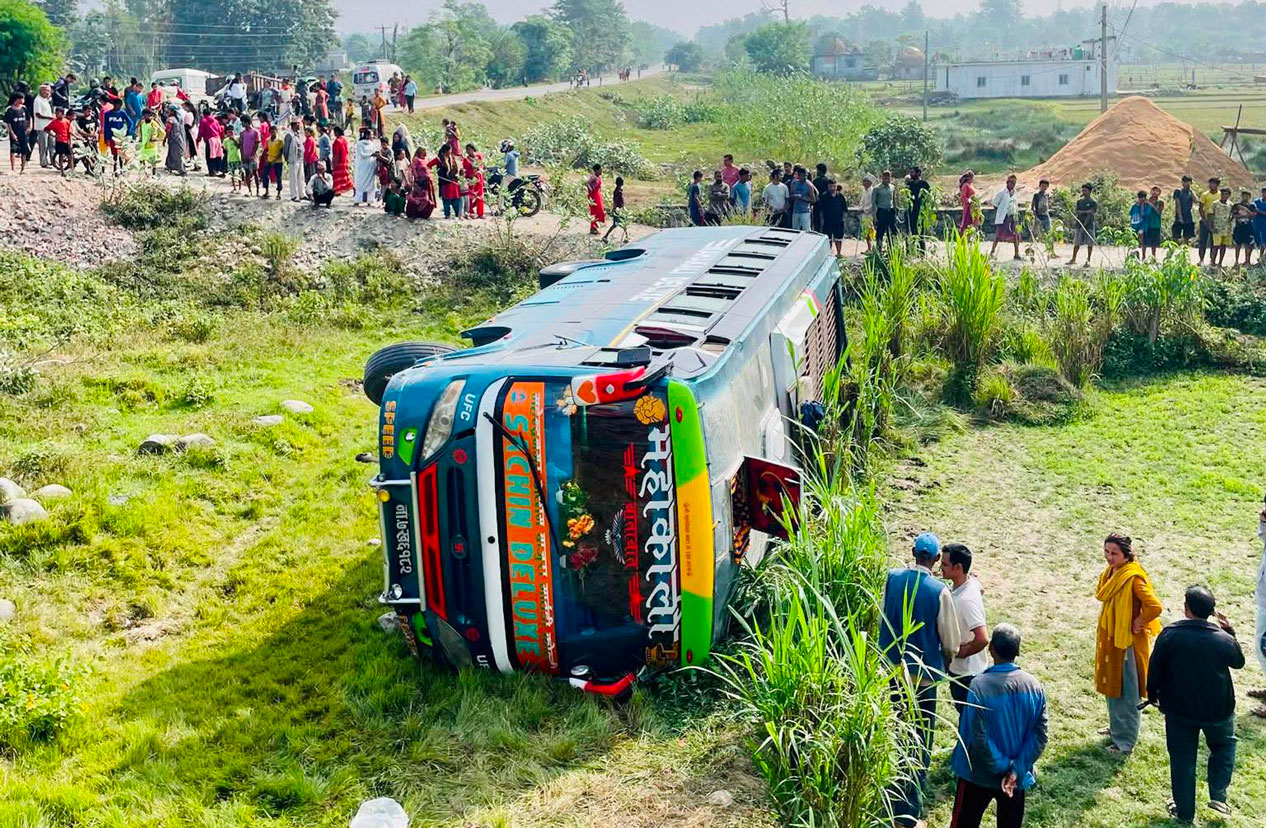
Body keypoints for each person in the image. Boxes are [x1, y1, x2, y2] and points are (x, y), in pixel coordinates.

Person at [879, 532, 962, 828]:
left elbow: (882, 618)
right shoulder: (938, 590)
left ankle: (888, 797)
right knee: (919, 739)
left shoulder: (892, 577)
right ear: (937, 559)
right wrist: (946, 661)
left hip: (893, 669)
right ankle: (908, 810)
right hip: (923, 677)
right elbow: (950, 641)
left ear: (913, 551)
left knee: (899, 731)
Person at [1147, 585, 1244, 824]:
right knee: (1223, 747)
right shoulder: (1223, 640)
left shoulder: (1171, 634)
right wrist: (1231, 632)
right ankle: (1218, 794)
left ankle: (1184, 812)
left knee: (1182, 759)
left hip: (1180, 710)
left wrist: (1153, 694)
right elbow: (1238, 662)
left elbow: (1155, 667)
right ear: (1212, 612)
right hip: (1218, 709)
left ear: (1187, 608)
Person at [948, 624, 1048, 828]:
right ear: (1017, 652)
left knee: (964, 822)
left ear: (991, 648)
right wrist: (1015, 770)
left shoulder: (979, 686)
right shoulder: (1035, 686)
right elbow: (1040, 734)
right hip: (1015, 780)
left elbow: (979, 738)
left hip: (977, 774)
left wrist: (1003, 766)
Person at [1094, 532, 1162, 755]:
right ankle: (1116, 729)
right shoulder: (1112, 572)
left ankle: (1125, 742)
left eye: (1114, 553)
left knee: (1127, 691)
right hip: (1111, 637)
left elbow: (1154, 606)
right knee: (1113, 686)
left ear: (1126, 554)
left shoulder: (1133, 577)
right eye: (1106, 552)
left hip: (1127, 642)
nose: (1109, 557)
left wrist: (1139, 622)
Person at [941, 543, 989, 713]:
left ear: (958, 567)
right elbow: (980, 587)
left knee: (967, 718)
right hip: (964, 669)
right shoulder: (969, 584)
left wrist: (960, 652)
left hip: (966, 673)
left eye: (945, 564)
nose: (941, 567)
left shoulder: (966, 600)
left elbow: (982, 638)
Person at [989, 174, 1022, 260]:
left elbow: (1015, 203)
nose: (1012, 184)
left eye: (1014, 183)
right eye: (1011, 182)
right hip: (1004, 217)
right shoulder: (1002, 193)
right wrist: (1001, 211)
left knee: (1016, 235)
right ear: (1007, 183)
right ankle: (992, 251)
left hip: (1013, 216)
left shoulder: (1015, 192)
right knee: (998, 235)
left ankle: (1017, 253)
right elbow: (995, 203)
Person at [1070, 183, 1097, 267]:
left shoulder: (1093, 202)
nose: (1083, 192)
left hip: (1089, 225)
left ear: (1090, 191)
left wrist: (1085, 223)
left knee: (1090, 244)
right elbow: (1077, 212)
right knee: (1076, 243)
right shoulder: (1079, 201)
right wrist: (1086, 212)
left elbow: (1092, 213)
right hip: (1079, 224)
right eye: (1083, 190)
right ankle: (1073, 259)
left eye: (1085, 191)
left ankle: (1088, 260)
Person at [432, 143, 462, 217]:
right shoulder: (439, 159)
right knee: (446, 199)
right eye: (449, 151)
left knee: (456, 198)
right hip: (444, 182)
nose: (450, 152)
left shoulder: (451, 158)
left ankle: (457, 214)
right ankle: (447, 214)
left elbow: (455, 169)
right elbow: (428, 165)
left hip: (453, 181)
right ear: (445, 151)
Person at [818, 180, 847, 256]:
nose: (833, 188)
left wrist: (843, 219)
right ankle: (829, 253)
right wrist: (822, 221)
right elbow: (821, 210)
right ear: (828, 187)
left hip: (838, 221)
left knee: (839, 238)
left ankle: (839, 253)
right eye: (831, 186)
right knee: (828, 238)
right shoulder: (824, 196)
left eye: (834, 186)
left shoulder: (840, 196)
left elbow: (844, 209)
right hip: (827, 221)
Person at [406, 147, 436, 219]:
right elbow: (413, 168)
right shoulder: (416, 159)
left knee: (428, 196)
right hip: (420, 180)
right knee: (418, 194)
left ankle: (426, 210)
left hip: (427, 180)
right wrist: (416, 178)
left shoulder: (425, 159)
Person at [873, 170, 898, 252]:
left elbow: (894, 200)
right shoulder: (877, 189)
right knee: (880, 232)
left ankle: (891, 250)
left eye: (888, 177)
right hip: (881, 212)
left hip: (890, 212)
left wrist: (895, 213)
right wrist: (874, 217)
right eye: (885, 177)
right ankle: (879, 250)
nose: (887, 179)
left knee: (893, 232)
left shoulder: (892, 187)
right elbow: (873, 204)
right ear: (882, 178)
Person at [1198, 177, 1221, 265]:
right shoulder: (1205, 195)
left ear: (1217, 185)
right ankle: (1201, 260)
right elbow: (1201, 208)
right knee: (1202, 241)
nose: (1211, 185)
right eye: (1210, 183)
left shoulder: (1220, 195)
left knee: (1214, 242)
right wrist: (1204, 220)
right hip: (1205, 220)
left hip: (1215, 221)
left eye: (1213, 183)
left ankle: (1212, 260)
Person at [906, 166, 931, 247]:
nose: (911, 174)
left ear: (918, 173)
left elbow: (928, 197)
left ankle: (922, 252)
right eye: (910, 173)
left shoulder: (924, 184)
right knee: (912, 231)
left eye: (912, 172)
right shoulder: (910, 184)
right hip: (911, 211)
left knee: (921, 232)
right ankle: (913, 251)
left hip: (921, 211)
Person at [1232, 189, 1256, 268]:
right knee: (1237, 245)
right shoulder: (1236, 205)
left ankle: (1247, 260)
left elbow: (1253, 215)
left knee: (1247, 244)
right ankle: (1236, 261)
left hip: (1248, 227)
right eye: (1243, 195)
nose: (1245, 197)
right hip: (1239, 227)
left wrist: (1245, 210)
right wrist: (1246, 215)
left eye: (1247, 196)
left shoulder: (1252, 206)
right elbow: (1235, 216)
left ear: (1249, 197)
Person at [787, 166, 815, 232]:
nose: (804, 178)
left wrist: (802, 198)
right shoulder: (794, 183)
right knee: (795, 230)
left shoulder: (809, 185)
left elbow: (813, 200)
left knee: (807, 230)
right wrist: (794, 196)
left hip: (805, 211)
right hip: (796, 211)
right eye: (803, 176)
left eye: (806, 176)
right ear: (799, 176)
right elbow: (790, 196)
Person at [44, 108, 72, 174]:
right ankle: (62, 171)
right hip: (59, 140)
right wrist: (54, 135)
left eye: (58, 113)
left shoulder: (67, 121)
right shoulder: (54, 122)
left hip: (66, 140)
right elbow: (46, 129)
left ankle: (71, 169)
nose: (56, 115)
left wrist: (69, 141)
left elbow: (69, 132)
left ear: (62, 114)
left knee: (70, 156)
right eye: (56, 113)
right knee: (61, 155)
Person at [238, 115, 261, 196]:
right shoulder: (242, 133)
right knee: (247, 173)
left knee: (255, 173)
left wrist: (253, 154)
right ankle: (249, 190)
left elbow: (257, 143)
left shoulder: (255, 132)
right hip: (245, 156)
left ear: (248, 122)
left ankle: (258, 190)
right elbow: (240, 145)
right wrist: (242, 155)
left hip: (253, 156)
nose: (242, 124)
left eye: (243, 122)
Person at [1211, 187, 1233, 267]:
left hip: (1227, 229)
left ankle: (1220, 262)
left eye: (1226, 194)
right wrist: (1212, 227)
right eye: (1223, 194)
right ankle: (1212, 262)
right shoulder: (1215, 204)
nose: (1224, 196)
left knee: (1223, 246)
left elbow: (1232, 215)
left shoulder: (1231, 205)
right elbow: (1210, 215)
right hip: (1217, 228)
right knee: (1216, 246)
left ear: (1229, 195)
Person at [33, 84, 54, 169]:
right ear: (42, 91)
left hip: (49, 126)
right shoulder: (38, 100)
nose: (49, 93)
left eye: (49, 91)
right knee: (43, 146)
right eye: (47, 91)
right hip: (42, 126)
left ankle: (53, 161)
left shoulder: (45, 100)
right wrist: (50, 117)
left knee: (51, 144)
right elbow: (38, 114)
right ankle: (43, 162)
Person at [463, 143, 486, 218]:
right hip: (471, 178)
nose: (468, 151)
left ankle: (480, 213)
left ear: (473, 149)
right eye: (467, 150)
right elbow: (465, 170)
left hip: (479, 177)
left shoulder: (478, 156)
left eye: (469, 149)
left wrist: (483, 174)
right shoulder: (466, 160)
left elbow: (482, 166)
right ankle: (470, 212)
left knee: (480, 195)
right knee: (471, 195)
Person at [1029, 179, 1052, 251]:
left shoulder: (1047, 195)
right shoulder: (1036, 195)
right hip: (1038, 216)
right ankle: (1031, 248)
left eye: (1045, 186)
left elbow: (1048, 205)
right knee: (1035, 233)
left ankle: (1050, 249)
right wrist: (1035, 216)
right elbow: (1032, 207)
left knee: (1049, 233)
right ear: (1039, 186)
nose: (1043, 188)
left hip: (1046, 216)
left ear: (1047, 187)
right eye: (1042, 186)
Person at [1172, 176, 1196, 244]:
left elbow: (1196, 200)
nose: (1186, 184)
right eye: (1185, 182)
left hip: (1188, 217)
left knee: (1187, 237)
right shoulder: (1178, 191)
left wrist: (1191, 191)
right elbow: (1178, 204)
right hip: (1179, 217)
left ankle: (1185, 251)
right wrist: (1180, 217)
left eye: (1188, 182)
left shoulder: (1190, 192)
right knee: (1175, 236)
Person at [262, 126, 283, 199]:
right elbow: (266, 150)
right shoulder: (268, 140)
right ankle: (267, 191)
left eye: (273, 131)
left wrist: (274, 160)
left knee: (278, 176)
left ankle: (279, 193)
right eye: (271, 132)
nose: (272, 133)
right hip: (269, 160)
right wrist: (266, 159)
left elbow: (281, 152)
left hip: (278, 161)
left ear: (276, 131)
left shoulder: (280, 140)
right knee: (265, 175)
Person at [602, 176, 626, 242]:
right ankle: (605, 236)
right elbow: (615, 202)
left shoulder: (618, 190)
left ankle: (626, 236)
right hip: (618, 210)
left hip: (619, 209)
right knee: (616, 224)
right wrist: (613, 210)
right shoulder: (617, 192)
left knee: (623, 223)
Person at [331, 125, 352, 196]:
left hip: (339, 161)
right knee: (346, 176)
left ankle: (337, 190)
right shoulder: (344, 140)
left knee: (337, 176)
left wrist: (334, 163)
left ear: (337, 132)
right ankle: (351, 187)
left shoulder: (337, 141)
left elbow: (336, 154)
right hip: (345, 160)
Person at [1145, 186, 1165, 259]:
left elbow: (1158, 212)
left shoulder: (1160, 202)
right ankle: (1144, 257)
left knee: (1154, 243)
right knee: (1145, 242)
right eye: (1153, 190)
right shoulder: (1147, 201)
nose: (1155, 192)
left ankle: (1153, 257)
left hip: (1156, 224)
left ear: (1159, 193)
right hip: (1147, 224)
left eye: (1157, 191)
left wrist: (1151, 205)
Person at [1129, 191, 1150, 258]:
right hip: (1134, 225)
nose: (1142, 200)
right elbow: (1131, 214)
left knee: (1141, 236)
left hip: (1143, 224)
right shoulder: (1134, 206)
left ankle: (1143, 255)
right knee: (1134, 240)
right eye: (1140, 198)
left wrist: (1142, 207)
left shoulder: (1147, 206)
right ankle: (1136, 254)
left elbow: (1146, 214)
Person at [811, 162, 830, 232]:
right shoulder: (828, 181)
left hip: (817, 204)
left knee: (817, 222)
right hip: (826, 205)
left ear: (819, 170)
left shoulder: (816, 181)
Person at [587, 163, 605, 235]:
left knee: (600, 211)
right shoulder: (593, 177)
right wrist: (590, 190)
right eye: (600, 170)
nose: (601, 171)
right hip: (593, 196)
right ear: (597, 170)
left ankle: (595, 227)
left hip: (597, 195)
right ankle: (593, 228)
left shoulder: (598, 177)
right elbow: (587, 184)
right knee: (594, 212)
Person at [958, 170, 978, 234]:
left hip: (973, 206)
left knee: (973, 221)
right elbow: (963, 196)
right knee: (966, 222)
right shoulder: (965, 185)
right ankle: (962, 235)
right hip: (968, 207)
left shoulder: (970, 185)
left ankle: (971, 234)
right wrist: (969, 200)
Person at [860, 173, 876, 251]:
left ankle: (871, 248)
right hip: (864, 214)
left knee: (871, 231)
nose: (863, 183)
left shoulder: (872, 191)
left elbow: (873, 204)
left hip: (870, 214)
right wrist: (861, 208)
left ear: (869, 182)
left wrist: (866, 210)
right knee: (866, 231)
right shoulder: (864, 191)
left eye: (865, 181)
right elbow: (862, 201)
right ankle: (869, 248)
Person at [224, 126, 242, 192]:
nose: (230, 133)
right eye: (229, 132)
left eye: (232, 132)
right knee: (232, 174)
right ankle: (234, 187)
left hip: (238, 158)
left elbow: (239, 146)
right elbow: (225, 149)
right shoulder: (225, 140)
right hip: (230, 159)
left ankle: (240, 188)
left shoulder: (237, 138)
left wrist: (234, 139)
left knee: (239, 173)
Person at [303, 126, 319, 196]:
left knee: (310, 176)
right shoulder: (311, 139)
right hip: (312, 159)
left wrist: (305, 159)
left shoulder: (309, 139)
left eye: (306, 132)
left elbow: (308, 151)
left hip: (310, 160)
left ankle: (311, 192)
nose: (305, 134)